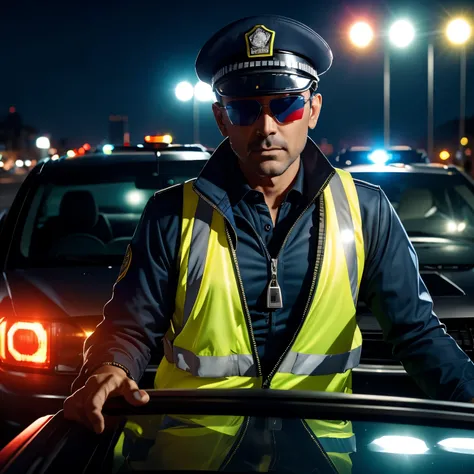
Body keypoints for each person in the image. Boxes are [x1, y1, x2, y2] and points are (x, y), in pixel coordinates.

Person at [64, 14, 474, 473]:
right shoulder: (170, 213)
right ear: (221, 117)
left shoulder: (367, 210)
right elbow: (129, 327)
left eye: (285, 106)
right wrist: (109, 367)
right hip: (194, 456)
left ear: (313, 109)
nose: (266, 127)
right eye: (244, 108)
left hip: (321, 456)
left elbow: (417, 334)